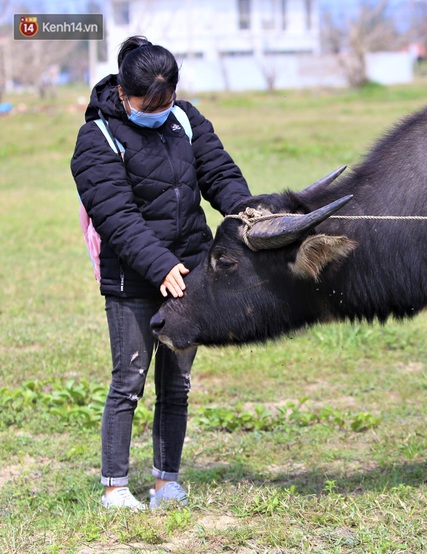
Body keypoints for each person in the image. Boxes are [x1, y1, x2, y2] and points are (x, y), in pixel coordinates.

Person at [71, 36, 252, 510]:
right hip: (133, 281)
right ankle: (114, 486)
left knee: (177, 384)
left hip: (191, 276)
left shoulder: (186, 120)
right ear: (123, 95)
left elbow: (220, 175)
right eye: (146, 104)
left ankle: (166, 480)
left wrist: (249, 214)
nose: (157, 110)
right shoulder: (98, 138)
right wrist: (161, 265)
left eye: (165, 100)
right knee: (128, 381)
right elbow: (117, 217)